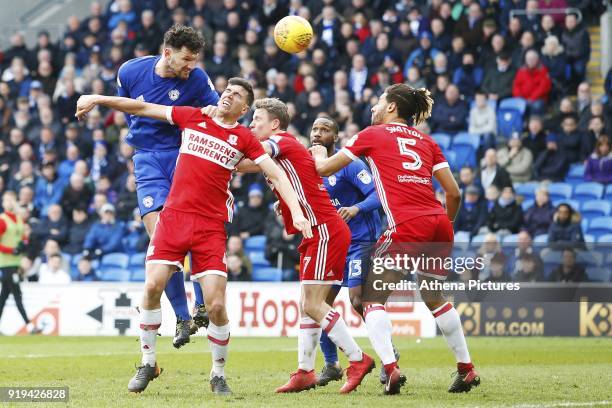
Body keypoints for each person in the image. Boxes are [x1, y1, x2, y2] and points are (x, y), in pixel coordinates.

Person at [75, 77, 312, 395]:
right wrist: (98, 98)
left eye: (238, 95)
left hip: (210, 226)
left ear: (244, 108)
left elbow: (276, 173)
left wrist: (297, 212)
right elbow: (143, 107)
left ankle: (217, 374)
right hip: (173, 218)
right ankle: (148, 363)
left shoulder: (243, 137)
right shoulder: (193, 116)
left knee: (215, 305)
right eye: (228, 90)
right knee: (150, 286)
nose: (229, 95)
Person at [310, 84, 479, 394]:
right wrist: (445, 225)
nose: (373, 107)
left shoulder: (370, 134)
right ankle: (466, 368)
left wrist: (318, 149)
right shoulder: (427, 141)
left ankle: (390, 368)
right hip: (439, 224)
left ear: (391, 108)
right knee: (435, 298)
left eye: (378, 102)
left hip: (407, 225)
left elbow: (322, 168)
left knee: (371, 300)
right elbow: (454, 192)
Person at [237, 98, 375, 395]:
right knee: (307, 305)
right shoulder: (283, 147)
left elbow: (251, 157)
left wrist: (222, 141)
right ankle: (304, 371)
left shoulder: (280, 141)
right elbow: (250, 165)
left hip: (324, 229)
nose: (251, 123)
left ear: (274, 124)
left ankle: (358, 359)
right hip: (318, 231)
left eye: (256, 118)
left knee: (314, 305)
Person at [116, 24, 219, 346]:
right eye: (186, 60)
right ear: (167, 54)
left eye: (194, 60)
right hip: (147, 159)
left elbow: (216, 116)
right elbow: (126, 108)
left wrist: (213, 112)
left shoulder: (198, 79)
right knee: (160, 237)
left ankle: (201, 304)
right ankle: (183, 316)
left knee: (192, 231)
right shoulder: (130, 72)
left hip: (183, 157)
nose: (191, 66)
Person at [309, 117, 386, 386]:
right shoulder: (309, 166)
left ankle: (389, 356)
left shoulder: (349, 164)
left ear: (336, 137)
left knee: (356, 301)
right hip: (332, 244)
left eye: (325, 130)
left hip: (361, 240)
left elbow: (378, 195)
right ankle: (331, 365)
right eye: (315, 129)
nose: (318, 134)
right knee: (319, 306)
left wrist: (356, 208)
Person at [0, 191, 39, 334]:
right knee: (17, 294)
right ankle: (29, 326)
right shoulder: (2, 220)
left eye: (12, 200)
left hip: (16, 263)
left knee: (4, 297)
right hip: (5, 263)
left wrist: (23, 245)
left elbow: (24, 237)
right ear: (3, 203)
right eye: (6, 200)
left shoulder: (18, 219)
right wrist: (11, 250)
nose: (9, 203)